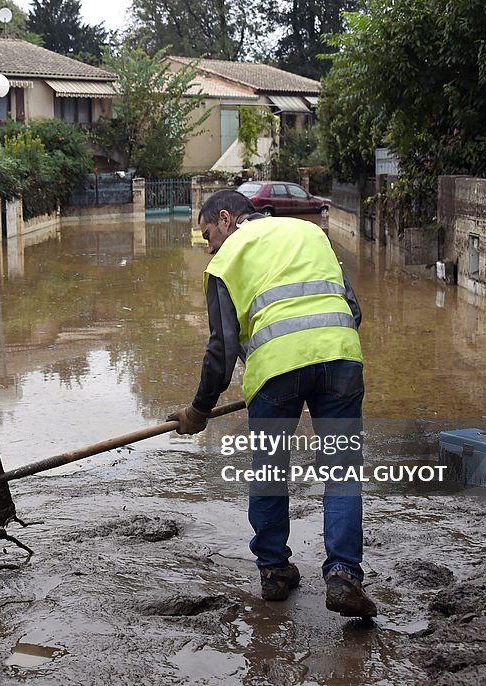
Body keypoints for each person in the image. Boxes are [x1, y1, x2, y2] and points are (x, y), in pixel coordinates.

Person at [167, 190, 376, 618]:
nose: (208, 247)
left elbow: (222, 350)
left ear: (226, 219)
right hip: (340, 356)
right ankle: (343, 575)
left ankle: (275, 571)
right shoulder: (310, 232)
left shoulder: (225, 262)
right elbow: (352, 309)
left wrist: (198, 411)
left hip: (275, 371)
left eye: (208, 235)